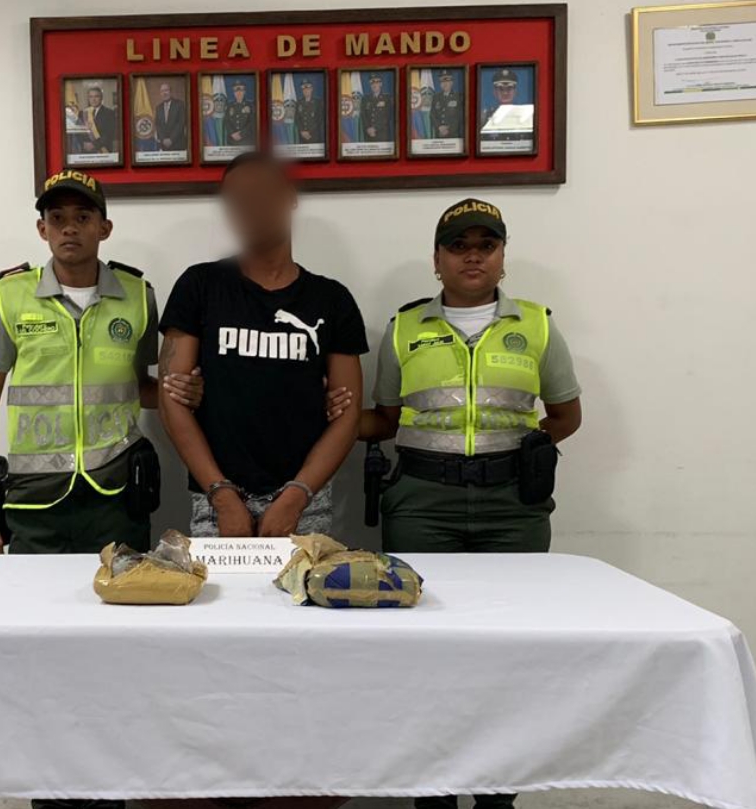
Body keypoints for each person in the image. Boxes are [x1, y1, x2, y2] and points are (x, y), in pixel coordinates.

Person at [347, 198, 582, 809]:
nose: (472, 256)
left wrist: (516, 455)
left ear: (503, 257)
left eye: (486, 245)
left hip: (513, 505)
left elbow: (565, 415)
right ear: (437, 260)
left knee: (511, 650)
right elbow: (385, 420)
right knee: (426, 651)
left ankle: (499, 794)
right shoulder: (404, 329)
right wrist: (325, 414)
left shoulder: (537, 325)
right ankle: (434, 794)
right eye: (458, 246)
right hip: (423, 502)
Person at [0, 168, 202, 562]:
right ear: (42, 229)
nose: (69, 228)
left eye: (83, 217)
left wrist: (180, 391)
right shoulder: (10, 297)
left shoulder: (137, 297)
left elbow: (138, 387)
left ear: (104, 228)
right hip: (35, 499)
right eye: (57, 218)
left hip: (116, 496)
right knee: (33, 600)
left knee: (120, 597)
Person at [158, 152, 367, 538]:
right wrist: (222, 496)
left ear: (290, 197)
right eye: (239, 199)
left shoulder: (332, 300)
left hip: (304, 500)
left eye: (264, 192)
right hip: (216, 499)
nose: (253, 206)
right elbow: (171, 399)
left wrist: (295, 497)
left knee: (304, 582)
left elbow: (348, 415)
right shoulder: (199, 286)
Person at [82, 85, 117, 154]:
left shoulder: (109, 113)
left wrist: (94, 145)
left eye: (96, 96)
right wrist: (83, 144)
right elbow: (79, 132)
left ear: (101, 98)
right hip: (86, 152)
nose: (93, 99)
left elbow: (109, 134)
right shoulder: (83, 113)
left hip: (103, 150)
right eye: (91, 97)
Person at [429, 70, 463, 139]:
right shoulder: (436, 97)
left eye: (447, 81)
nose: (444, 84)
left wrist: (448, 129)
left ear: (452, 82)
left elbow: (460, 117)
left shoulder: (458, 97)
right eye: (442, 81)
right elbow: (432, 115)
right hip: (439, 135)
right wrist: (439, 127)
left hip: (454, 135)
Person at [155, 81, 187, 151]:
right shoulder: (158, 108)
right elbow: (158, 125)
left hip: (178, 144)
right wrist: (163, 139)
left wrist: (171, 139)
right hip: (164, 146)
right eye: (162, 91)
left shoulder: (180, 104)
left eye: (166, 90)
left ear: (170, 92)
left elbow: (181, 123)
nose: (164, 93)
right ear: (160, 93)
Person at [361, 73, 393, 142]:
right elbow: (363, 116)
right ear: (370, 85)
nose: (374, 85)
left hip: (382, 134)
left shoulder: (387, 98)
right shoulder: (365, 99)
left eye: (377, 82)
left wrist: (375, 128)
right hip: (368, 134)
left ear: (381, 84)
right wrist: (368, 129)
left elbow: (388, 116)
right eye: (372, 83)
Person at [225, 79, 255, 146]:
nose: (238, 93)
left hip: (246, 140)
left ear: (244, 92)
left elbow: (252, 122)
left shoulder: (251, 105)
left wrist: (241, 134)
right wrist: (232, 133)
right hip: (232, 140)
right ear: (233, 93)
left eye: (241, 90)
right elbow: (226, 121)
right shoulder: (229, 106)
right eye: (236, 91)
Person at [295, 77, 324, 143]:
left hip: (314, 136)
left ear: (311, 89)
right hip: (302, 136)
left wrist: (309, 132)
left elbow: (320, 119)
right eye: (304, 89)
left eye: (308, 89)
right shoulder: (299, 103)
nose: (306, 91)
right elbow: (297, 118)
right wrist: (302, 131)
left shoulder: (318, 102)